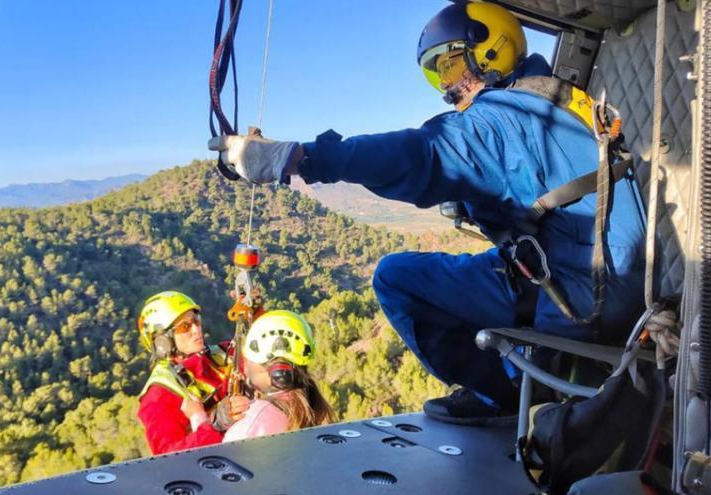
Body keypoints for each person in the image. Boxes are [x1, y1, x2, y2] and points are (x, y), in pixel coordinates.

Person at [208, 2, 646, 424]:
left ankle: (504, 393)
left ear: (492, 50)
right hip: (598, 276)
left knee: (397, 278)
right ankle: (513, 380)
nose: (446, 84)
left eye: (450, 65)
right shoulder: (553, 104)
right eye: (436, 72)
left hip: (577, 293)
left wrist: (297, 157)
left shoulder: (502, 116)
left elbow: (420, 154)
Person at [136, 291, 249, 454]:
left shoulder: (216, 356)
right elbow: (169, 459)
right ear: (163, 341)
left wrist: (255, 313)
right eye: (185, 327)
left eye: (197, 321)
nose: (197, 330)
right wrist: (215, 425)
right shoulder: (158, 397)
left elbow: (258, 353)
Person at [217, 310, 335, 442]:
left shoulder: (254, 421)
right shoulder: (312, 404)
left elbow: (207, 459)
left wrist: (205, 421)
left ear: (274, 371)